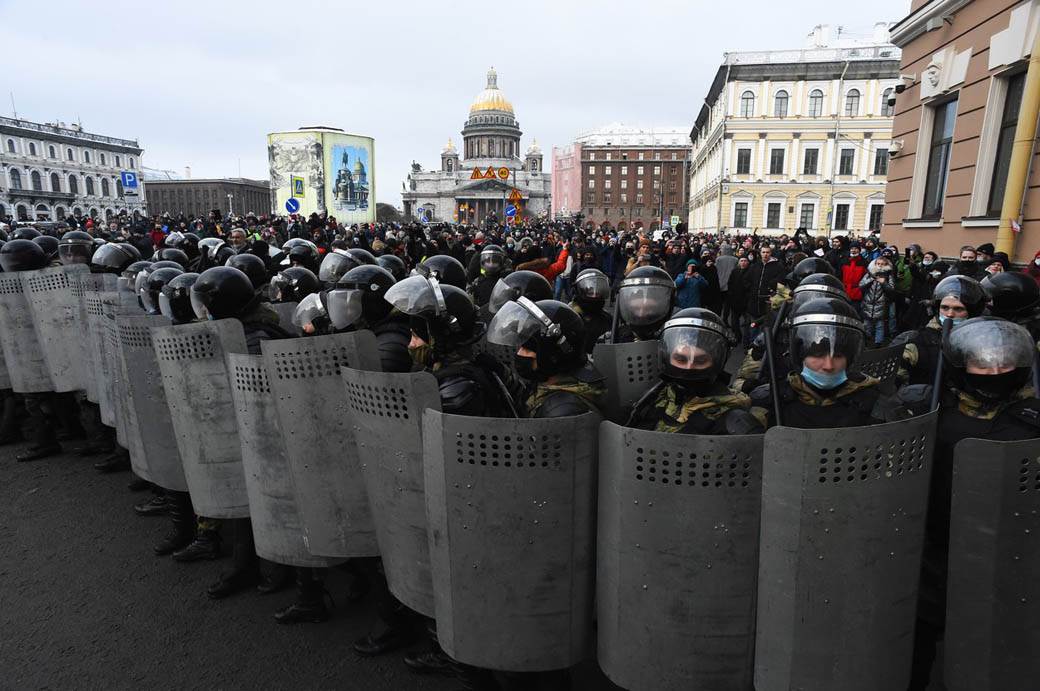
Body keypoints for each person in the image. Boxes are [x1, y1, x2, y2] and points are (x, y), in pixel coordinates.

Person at [907, 318, 1040, 690]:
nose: (995, 373)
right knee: (917, 647)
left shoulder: (1030, 421)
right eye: (982, 364)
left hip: (1006, 552)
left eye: (1004, 364)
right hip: (934, 550)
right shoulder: (930, 413)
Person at [751, 297, 900, 428]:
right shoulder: (775, 400)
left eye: (838, 356)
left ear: (850, 359)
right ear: (799, 356)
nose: (829, 365)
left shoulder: (873, 405)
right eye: (818, 356)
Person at [628, 308, 764, 434]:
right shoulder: (654, 397)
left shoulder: (734, 423)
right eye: (680, 359)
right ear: (667, 358)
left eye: (700, 361)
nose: (688, 368)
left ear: (717, 363)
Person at [892, 275, 987, 386]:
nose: (950, 314)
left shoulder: (983, 340)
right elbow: (894, 378)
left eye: (958, 309)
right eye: (945, 308)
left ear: (972, 312)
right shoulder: (918, 340)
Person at [613, 265, 675, 342]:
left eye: (649, 308)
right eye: (636, 308)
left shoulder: (674, 338)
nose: (641, 314)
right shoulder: (617, 336)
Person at [569, 268, 611, 354]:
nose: (594, 295)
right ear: (578, 291)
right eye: (590, 292)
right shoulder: (569, 316)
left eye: (597, 292)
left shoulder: (608, 318)